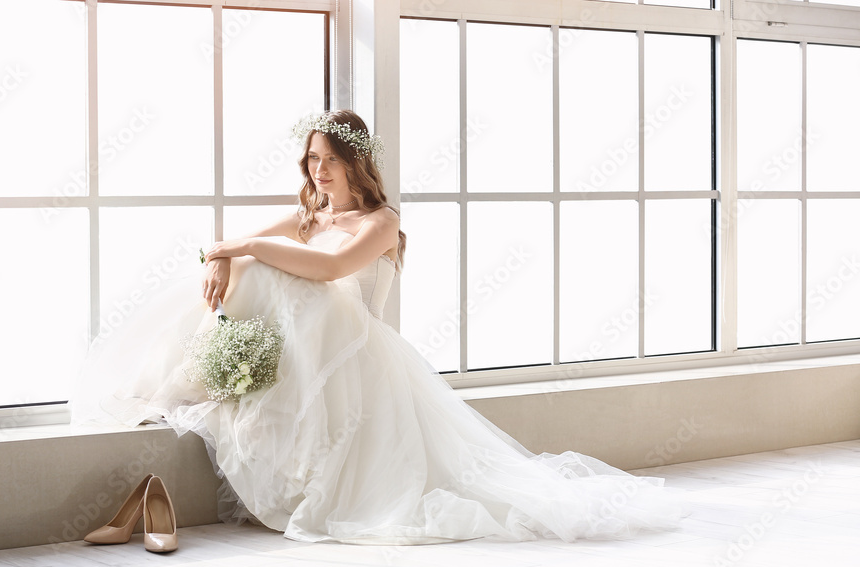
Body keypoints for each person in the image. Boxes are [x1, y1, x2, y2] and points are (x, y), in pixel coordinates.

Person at [70, 109, 685, 545]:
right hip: (310, 348)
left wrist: (246, 247)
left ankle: (193, 382)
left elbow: (332, 267)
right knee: (253, 271)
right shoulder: (311, 214)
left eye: (330, 161)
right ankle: (187, 379)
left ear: (355, 163)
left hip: (353, 350)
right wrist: (225, 251)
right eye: (312, 161)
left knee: (273, 272)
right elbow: (249, 247)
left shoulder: (381, 221)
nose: (318, 173)